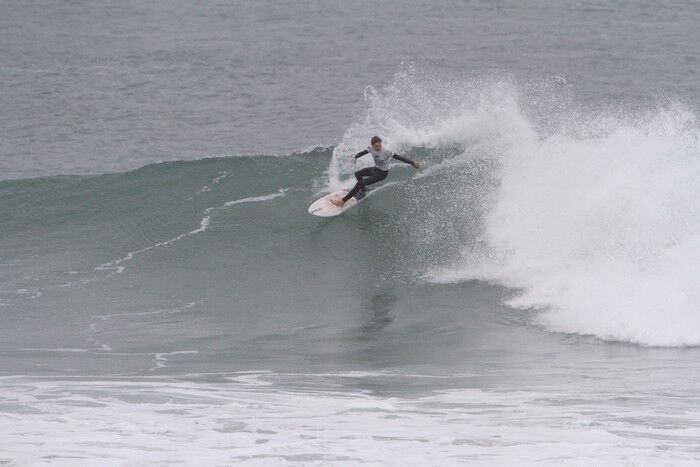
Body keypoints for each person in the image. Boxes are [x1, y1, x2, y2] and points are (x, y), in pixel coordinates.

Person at [329, 136, 419, 207]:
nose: (379, 147)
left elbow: (399, 158)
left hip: (382, 174)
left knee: (360, 183)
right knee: (358, 173)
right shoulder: (371, 148)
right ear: (372, 145)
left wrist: (412, 163)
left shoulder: (386, 152)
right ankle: (363, 191)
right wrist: (355, 157)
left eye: (380, 145)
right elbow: (362, 153)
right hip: (375, 169)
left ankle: (342, 201)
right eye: (376, 146)